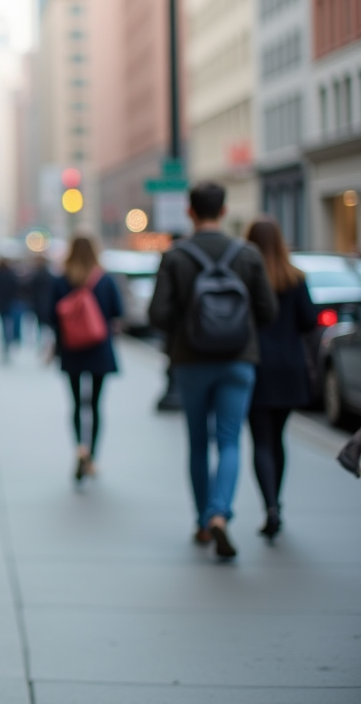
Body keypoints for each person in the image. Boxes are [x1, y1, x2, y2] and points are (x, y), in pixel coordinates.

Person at [148, 182, 277, 559]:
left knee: (197, 442)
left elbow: (157, 314)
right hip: (238, 360)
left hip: (190, 362)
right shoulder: (247, 254)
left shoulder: (175, 256)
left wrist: (186, 325)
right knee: (230, 440)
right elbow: (268, 311)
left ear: (190, 211)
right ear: (223, 212)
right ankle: (221, 512)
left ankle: (203, 522)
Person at [244, 216, 317, 540]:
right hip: (289, 366)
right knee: (278, 439)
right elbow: (309, 321)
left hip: (256, 365)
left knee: (261, 440)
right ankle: (278, 506)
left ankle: (270, 506)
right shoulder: (295, 278)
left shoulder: (244, 277)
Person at [51, 235, 123, 482]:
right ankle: (91, 455)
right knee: (95, 405)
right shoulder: (105, 280)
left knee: (75, 404)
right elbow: (117, 312)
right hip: (99, 350)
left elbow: (50, 315)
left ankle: (79, 448)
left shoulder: (62, 279)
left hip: (71, 349)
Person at [0, 257, 23, 361]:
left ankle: (6, 342)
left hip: (1, 304)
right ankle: (8, 341)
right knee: (9, 324)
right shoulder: (11, 275)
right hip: (9, 303)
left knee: (4, 324)